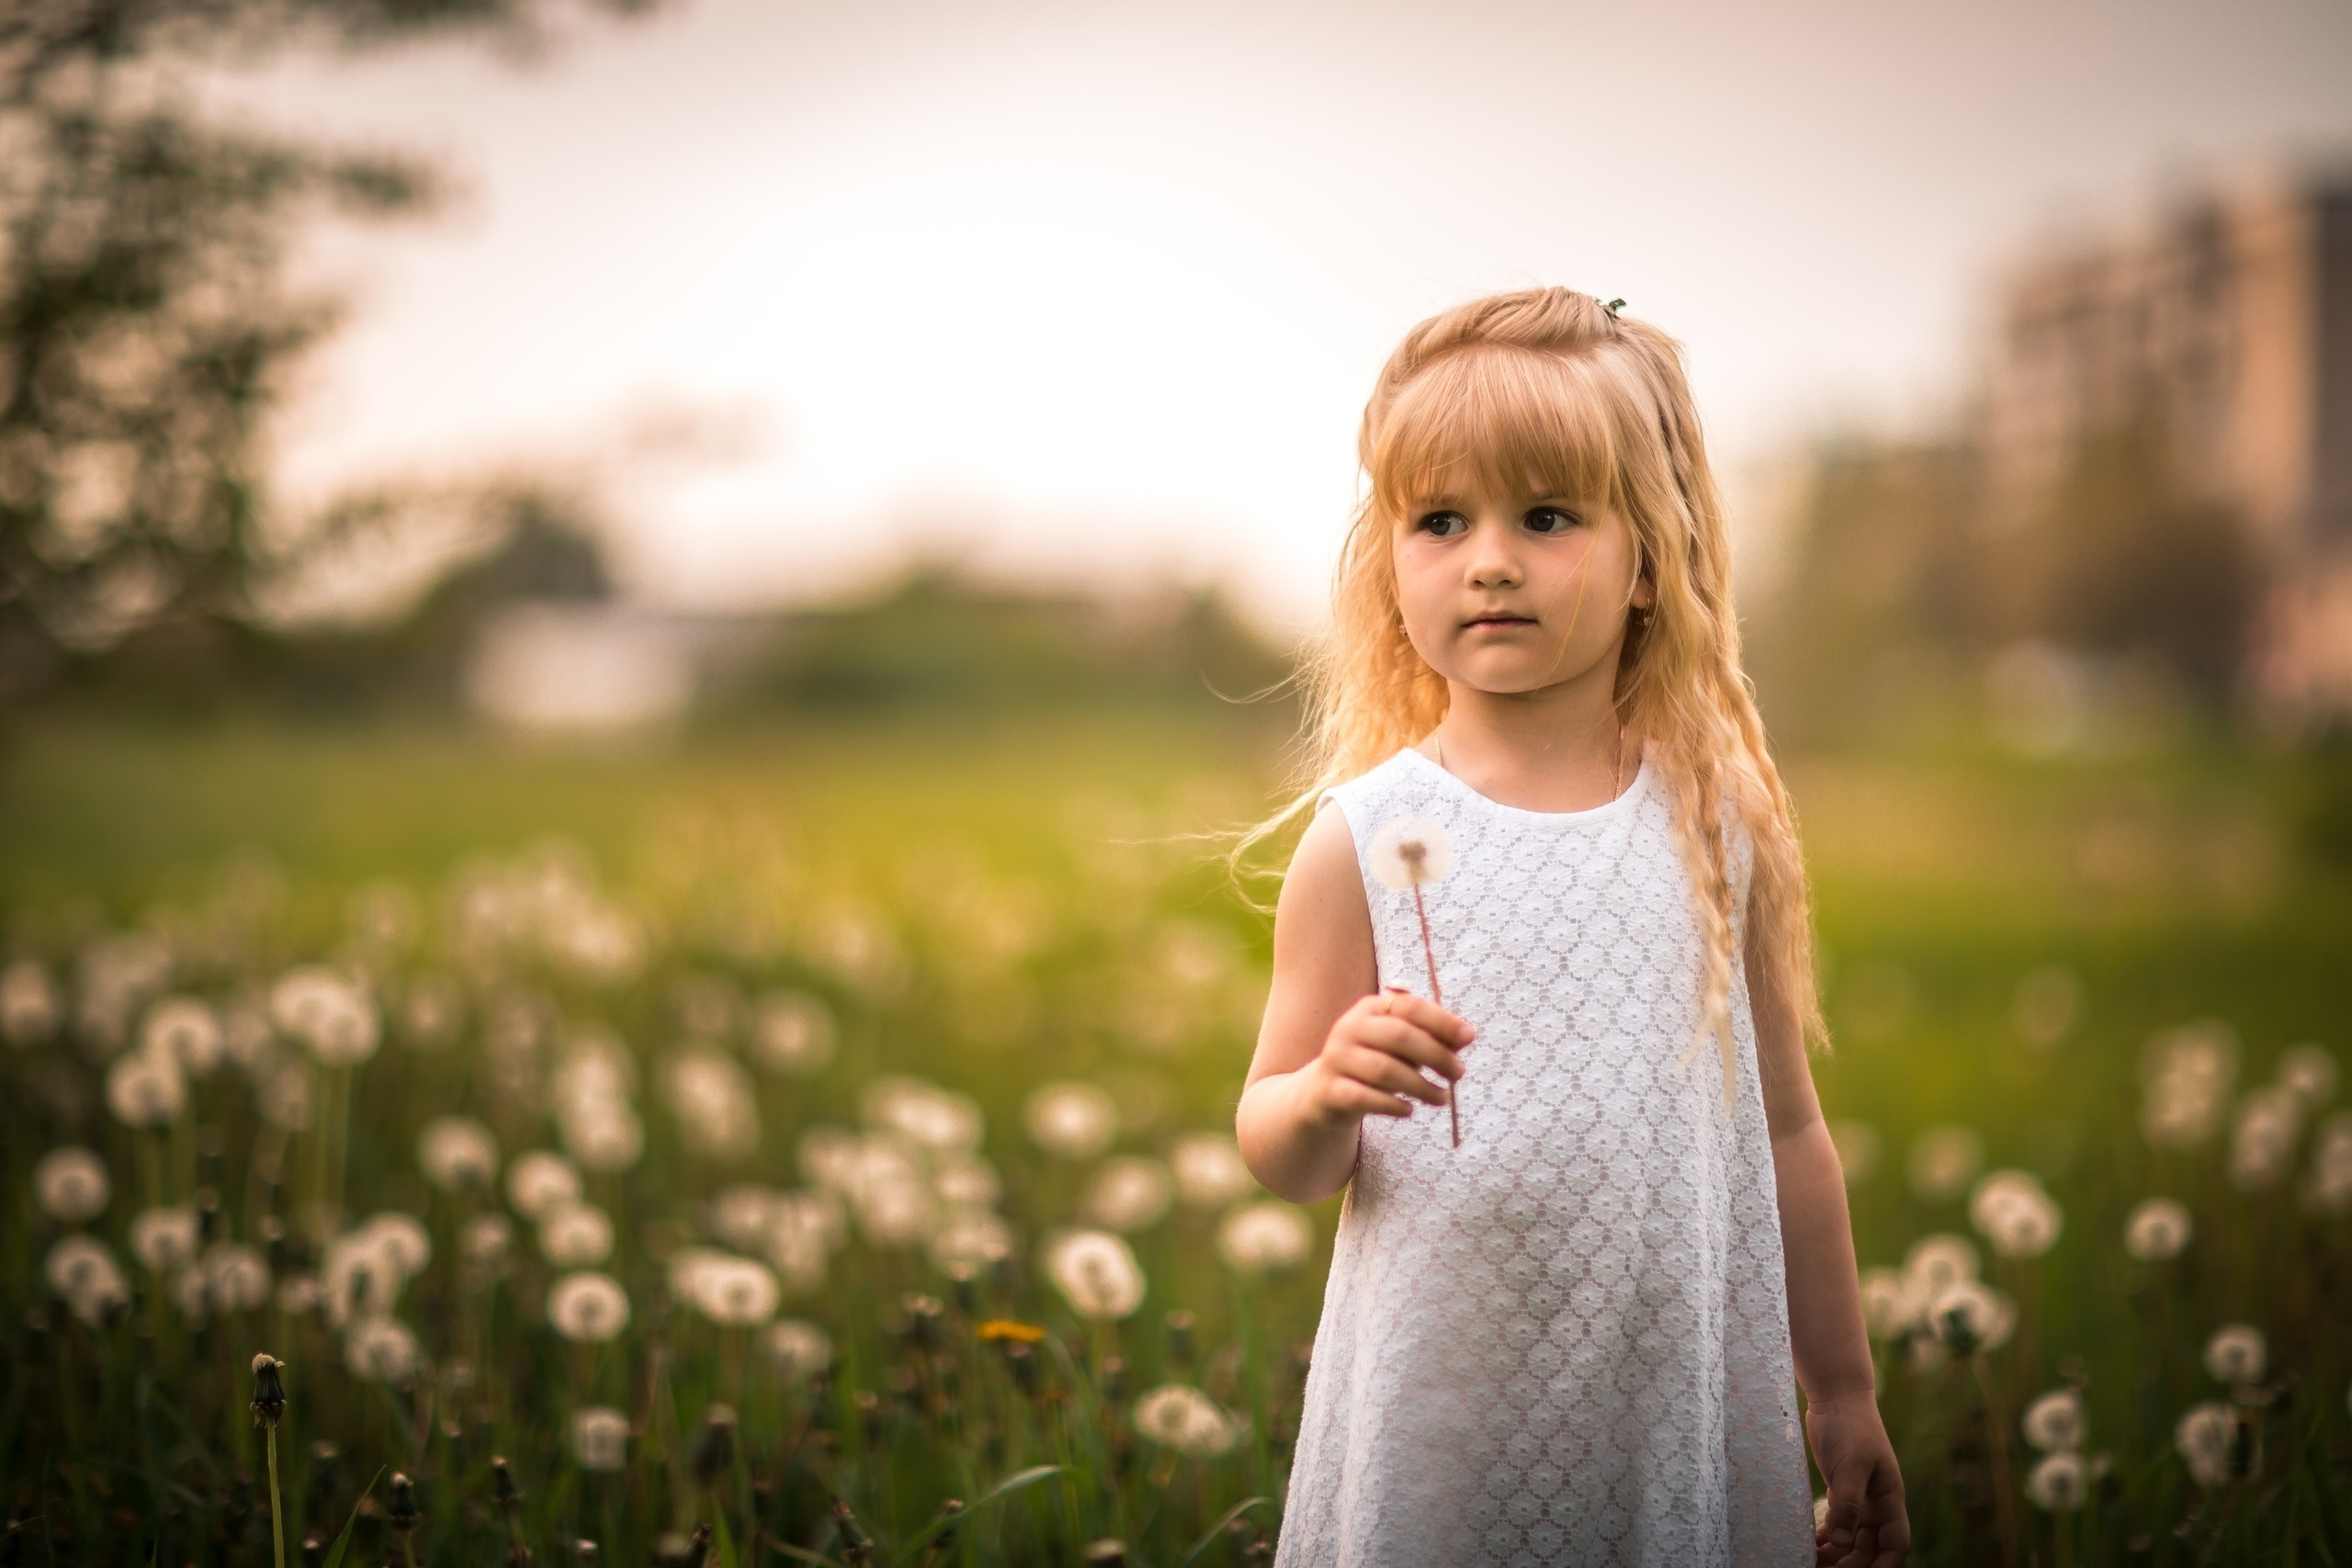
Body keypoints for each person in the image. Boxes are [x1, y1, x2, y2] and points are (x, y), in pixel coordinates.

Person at [1235, 288, 1908, 1568]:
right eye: (1440, 520)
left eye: (1547, 517)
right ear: (1390, 561)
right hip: (1446, 1425)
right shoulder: (1364, 840)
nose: (1490, 558)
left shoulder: (1722, 826)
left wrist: (1845, 1393)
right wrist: (1326, 1092)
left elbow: (1787, 1130)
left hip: (1670, 1406)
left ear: (1653, 555)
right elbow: (1275, 1142)